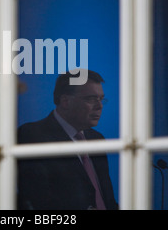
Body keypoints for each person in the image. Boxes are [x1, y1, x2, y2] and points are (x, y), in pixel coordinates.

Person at [17, 69, 118, 210]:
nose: (99, 106)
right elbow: (37, 202)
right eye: (91, 99)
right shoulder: (32, 135)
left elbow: (107, 200)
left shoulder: (97, 139)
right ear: (65, 101)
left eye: (101, 99)